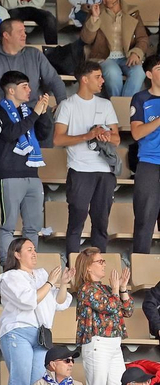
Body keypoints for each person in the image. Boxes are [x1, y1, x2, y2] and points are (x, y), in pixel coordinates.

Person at [0, 237, 69, 385]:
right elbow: (28, 302)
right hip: (17, 331)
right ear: (17, 254)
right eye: (29, 249)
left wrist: (62, 284)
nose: (34, 253)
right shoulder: (10, 277)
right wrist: (49, 283)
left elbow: (59, 303)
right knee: (19, 384)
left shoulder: (41, 274)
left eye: (35, 249)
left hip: (41, 335)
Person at [59, 62, 122, 256]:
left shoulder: (106, 104)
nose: (102, 80)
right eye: (98, 76)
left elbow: (117, 139)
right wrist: (87, 136)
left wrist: (104, 135)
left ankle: (98, 270)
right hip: (80, 170)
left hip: (104, 170)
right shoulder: (67, 105)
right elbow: (58, 138)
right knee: (77, 220)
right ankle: (72, 270)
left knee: (101, 222)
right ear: (84, 79)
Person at [0, 70, 53, 260]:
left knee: (33, 227)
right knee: (8, 225)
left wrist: (43, 113)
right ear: (11, 91)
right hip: (10, 174)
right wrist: (35, 114)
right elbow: (11, 133)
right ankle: (7, 264)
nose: (29, 90)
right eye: (24, 86)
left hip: (32, 174)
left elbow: (43, 135)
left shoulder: (28, 110)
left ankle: (30, 265)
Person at [72, 248, 133, 385]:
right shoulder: (86, 289)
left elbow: (128, 310)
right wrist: (115, 290)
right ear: (88, 267)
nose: (104, 264)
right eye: (100, 261)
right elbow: (110, 307)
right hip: (97, 343)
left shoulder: (105, 288)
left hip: (114, 344)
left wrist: (123, 288)